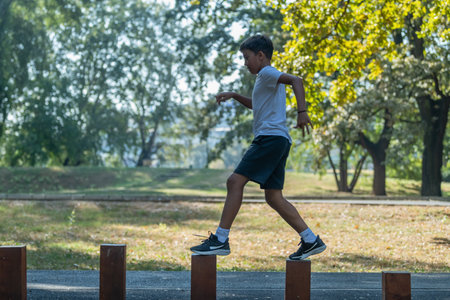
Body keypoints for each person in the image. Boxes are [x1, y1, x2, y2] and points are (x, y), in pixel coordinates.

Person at [190, 34, 326, 260]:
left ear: (260, 56)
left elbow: (297, 80)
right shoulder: (265, 79)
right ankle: (311, 240)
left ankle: (221, 240)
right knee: (273, 197)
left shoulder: (266, 72)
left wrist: (302, 112)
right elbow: (257, 105)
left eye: (246, 57)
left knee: (234, 181)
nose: (245, 63)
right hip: (279, 140)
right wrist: (234, 95)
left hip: (269, 139)